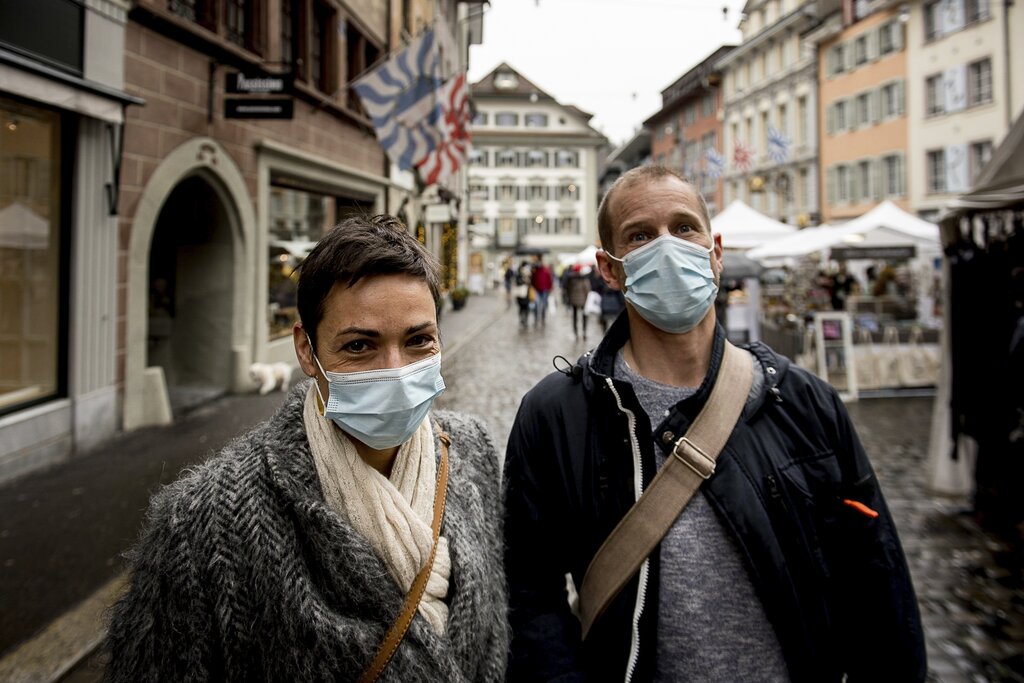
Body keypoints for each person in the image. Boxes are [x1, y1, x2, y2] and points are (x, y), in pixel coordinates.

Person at [503, 166, 926, 682]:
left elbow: (876, 583)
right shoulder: (556, 415)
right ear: (609, 270)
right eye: (640, 236)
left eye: (684, 228)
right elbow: (528, 594)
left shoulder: (805, 403)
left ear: (715, 253)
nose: (667, 247)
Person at [106, 215, 508, 681]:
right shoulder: (201, 521)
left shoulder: (472, 452)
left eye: (419, 340)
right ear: (306, 350)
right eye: (359, 346)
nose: (397, 371)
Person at [564, 263, 592, 341]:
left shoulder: (571, 279)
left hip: (574, 300)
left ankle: (576, 332)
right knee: (584, 316)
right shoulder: (584, 279)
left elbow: (568, 289)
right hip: (583, 300)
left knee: (575, 317)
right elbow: (587, 290)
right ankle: (584, 331)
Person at [531, 254, 554, 327]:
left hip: (544, 290)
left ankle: (542, 318)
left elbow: (549, 280)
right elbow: (533, 280)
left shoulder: (546, 270)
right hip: (538, 290)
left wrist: (550, 288)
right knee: (537, 304)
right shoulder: (535, 271)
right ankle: (537, 318)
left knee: (543, 305)